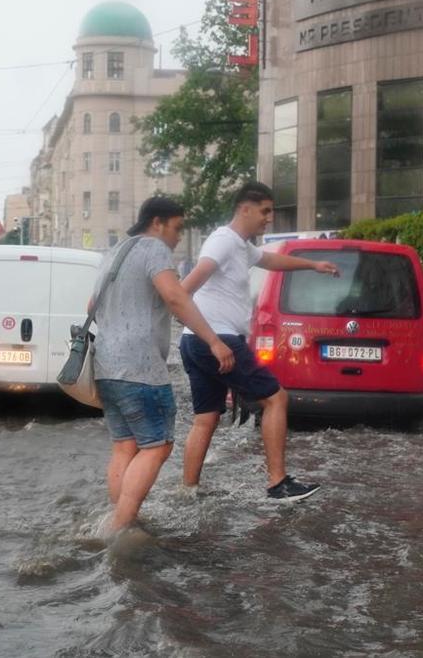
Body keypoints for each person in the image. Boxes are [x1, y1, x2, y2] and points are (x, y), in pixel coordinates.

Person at [179, 181, 339, 501]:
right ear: (245, 209)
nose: (269, 218)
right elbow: (185, 289)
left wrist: (312, 266)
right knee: (275, 399)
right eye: (265, 211)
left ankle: (188, 491)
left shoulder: (241, 245)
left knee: (206, 418)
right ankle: (277, 483)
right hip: (217, 339)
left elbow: (270, 261)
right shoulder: (223, 241)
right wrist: (213, 341)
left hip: (194, 340)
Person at [92, 197, 234, 536]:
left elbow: (91, 305)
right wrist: (213, 341)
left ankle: (117, 518)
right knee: (158, 446)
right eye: (176, 228)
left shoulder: (112, 254)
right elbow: (175, 297)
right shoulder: (153, 249)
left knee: (125, 446)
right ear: (157, 223)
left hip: (105, 366)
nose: (177, 236)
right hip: (139, 368)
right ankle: (120, 527)